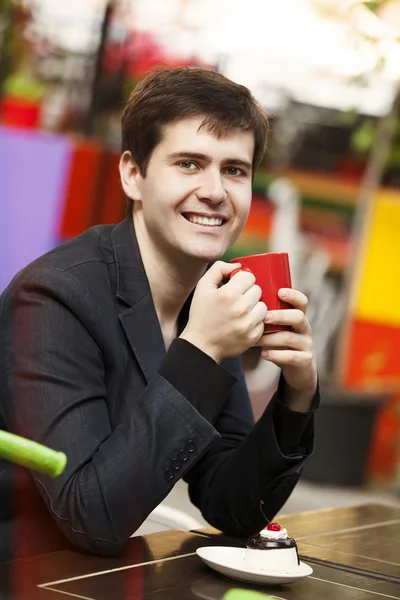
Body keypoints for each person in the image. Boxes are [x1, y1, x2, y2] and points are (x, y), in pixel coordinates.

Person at [0, 67, 318, 561]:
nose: (216, 191)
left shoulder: (208, 295)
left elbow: (230, 506)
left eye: (234, 169)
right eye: (189, 163)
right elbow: (91, 517)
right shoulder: (55, 296)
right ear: (133, 174)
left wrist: (297, 395)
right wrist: (201, 350)